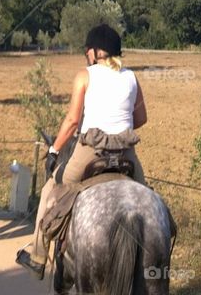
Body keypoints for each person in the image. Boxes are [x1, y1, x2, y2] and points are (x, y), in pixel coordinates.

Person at [16, 24, 147, 280]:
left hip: (91, 151)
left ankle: (38, 255)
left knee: (51, 191)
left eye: (88, 50)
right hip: (125, 152)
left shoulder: (85, 75)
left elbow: (73, 121)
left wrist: (54, 149)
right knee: (147, 197)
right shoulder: (131, 76)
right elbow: (141, 118)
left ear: (95, 52)